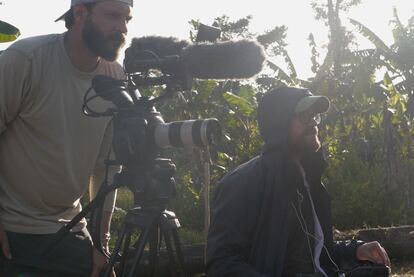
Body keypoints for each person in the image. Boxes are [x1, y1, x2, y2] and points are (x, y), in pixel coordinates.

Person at [0, 0, 133, 276]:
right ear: (80, 12)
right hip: (11, 231)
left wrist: (100, 243)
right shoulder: (26, 59)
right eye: (112, 16)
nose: (122, 28)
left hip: (71, 229)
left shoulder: (114, 77)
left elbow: (105, 168)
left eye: (127, 19)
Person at [206, 87, 391, 277]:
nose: (313, 123)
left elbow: (314, 250)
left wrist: (354, 250)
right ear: (280, 123)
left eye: (315, 116)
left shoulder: (307, 179)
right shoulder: (243, 182)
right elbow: (222, 263)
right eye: (304, 116)